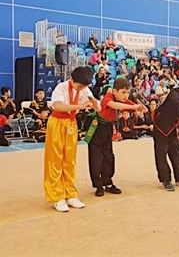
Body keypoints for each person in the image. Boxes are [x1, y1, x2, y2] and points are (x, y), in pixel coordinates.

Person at [43, 66, 100, 212]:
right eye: (79, 86)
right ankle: (57, 197)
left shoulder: (84, 89)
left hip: (71, 124)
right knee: (55, 160)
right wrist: (80, 106)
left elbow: (98, 107)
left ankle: (70, 194)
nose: (81, 89)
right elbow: (58, 106)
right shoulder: (61, 87)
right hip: (57, 123)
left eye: (84, 87)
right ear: (72, 80)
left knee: (70, 160)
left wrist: (94, 102)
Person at [84, 77, 146, 197]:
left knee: (109, 157)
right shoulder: (108, 98)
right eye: (123, 92)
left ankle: (108, 182)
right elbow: (113, 105)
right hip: (96, 127)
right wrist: (133, 107)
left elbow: (143, 109)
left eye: (128, 93)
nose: (126, 96)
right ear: (114, 91)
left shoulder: (125, 101)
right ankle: (98, 185)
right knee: (96, 159)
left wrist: (140, 107)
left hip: (108, 128)